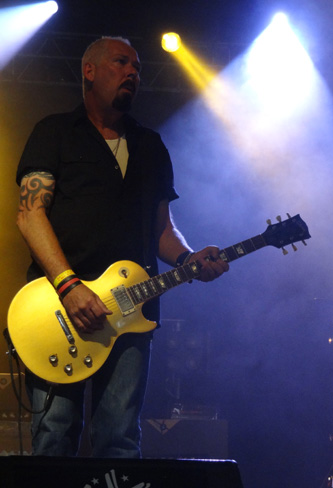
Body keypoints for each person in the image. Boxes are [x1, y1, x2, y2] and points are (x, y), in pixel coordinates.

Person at [15, 36, 229, 457]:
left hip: (132, 311)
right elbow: (30, 215)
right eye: (121, 62)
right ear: (89, 71)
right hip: (59, 308)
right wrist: (69, 286)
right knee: (54, 435)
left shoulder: (151, 146)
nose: (133, 72)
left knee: (119, 437)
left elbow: (161, 229)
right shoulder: (54, 132)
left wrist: (188, 259)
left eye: (137, 67)